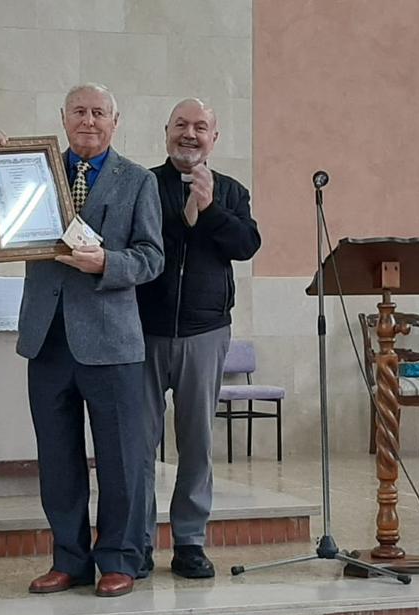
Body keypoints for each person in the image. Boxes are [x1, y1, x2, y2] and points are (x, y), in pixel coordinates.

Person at [0, 82, 163, 598]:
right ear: (63, 118)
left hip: (111, 341)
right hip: (48, 339)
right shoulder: (33, 170)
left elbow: (153, 257)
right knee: (58, 459)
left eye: (99, 112)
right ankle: (69, 559)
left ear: (115, 121)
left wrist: (108, 262)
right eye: (79, 111)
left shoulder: (138, 180)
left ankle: (120, 559)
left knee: (121, 459)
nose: (88, 120)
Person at [136, 98, 262, 579]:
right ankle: (138, 541)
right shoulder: (143, 183)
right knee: (139, 443)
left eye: (201, 127)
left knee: (196, 443)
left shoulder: (231, 191)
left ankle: (189, 540)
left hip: (205, 332)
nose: (190, 134)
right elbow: (148, 241)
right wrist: (187, 213)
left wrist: (209, 210)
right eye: (181, 125)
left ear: (215, 138)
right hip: (144, 329)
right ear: (166, 130)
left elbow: (246, 245)